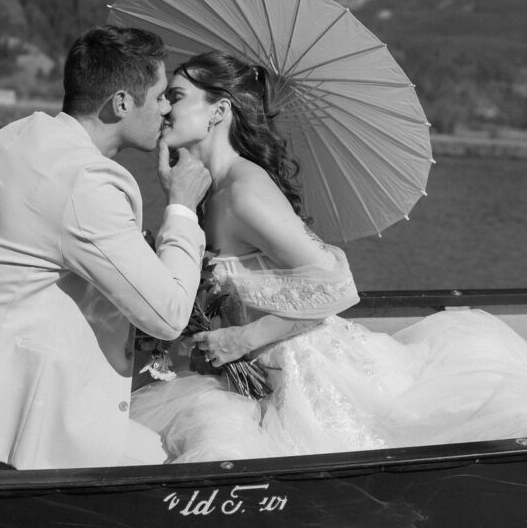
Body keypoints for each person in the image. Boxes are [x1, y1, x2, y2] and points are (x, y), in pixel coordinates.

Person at [131, 50, 527, 463]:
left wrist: (242, 338)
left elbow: (336, 283)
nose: (162, 107)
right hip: (254, 371)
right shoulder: (210, 188)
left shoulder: (245, 192)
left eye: (175, 96)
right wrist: (175, 196)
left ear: (219, 111)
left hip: (306, 378)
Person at [0, 26, 211, 471]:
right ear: (122, 103)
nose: (167, 108)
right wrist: (183, 207)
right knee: (181, 466)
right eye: (162, 94)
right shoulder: (85, 181)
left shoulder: (17, 135)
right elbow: (167, 314)